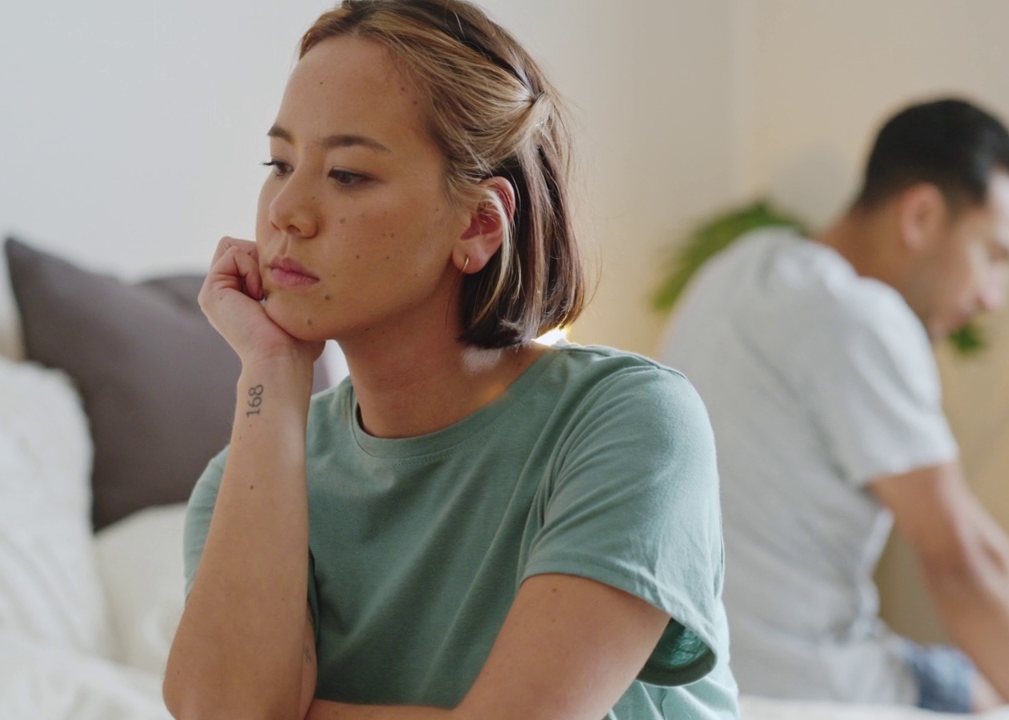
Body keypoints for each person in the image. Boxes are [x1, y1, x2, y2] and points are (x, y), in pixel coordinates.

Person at [162, 2, 740, 719]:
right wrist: (272, 374)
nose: (287, 209)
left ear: (477, 224)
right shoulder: (247, 480)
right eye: (279, 163)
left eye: (346, 174)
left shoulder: (629, 422)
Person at [659, 98, 1009, 714]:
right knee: (991, 699)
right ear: (922, 216)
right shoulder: (860, 317)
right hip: (806, 680)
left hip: (695, 669)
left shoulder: (739, 268)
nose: (993, 297)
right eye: (994, 256)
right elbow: (963, 562)